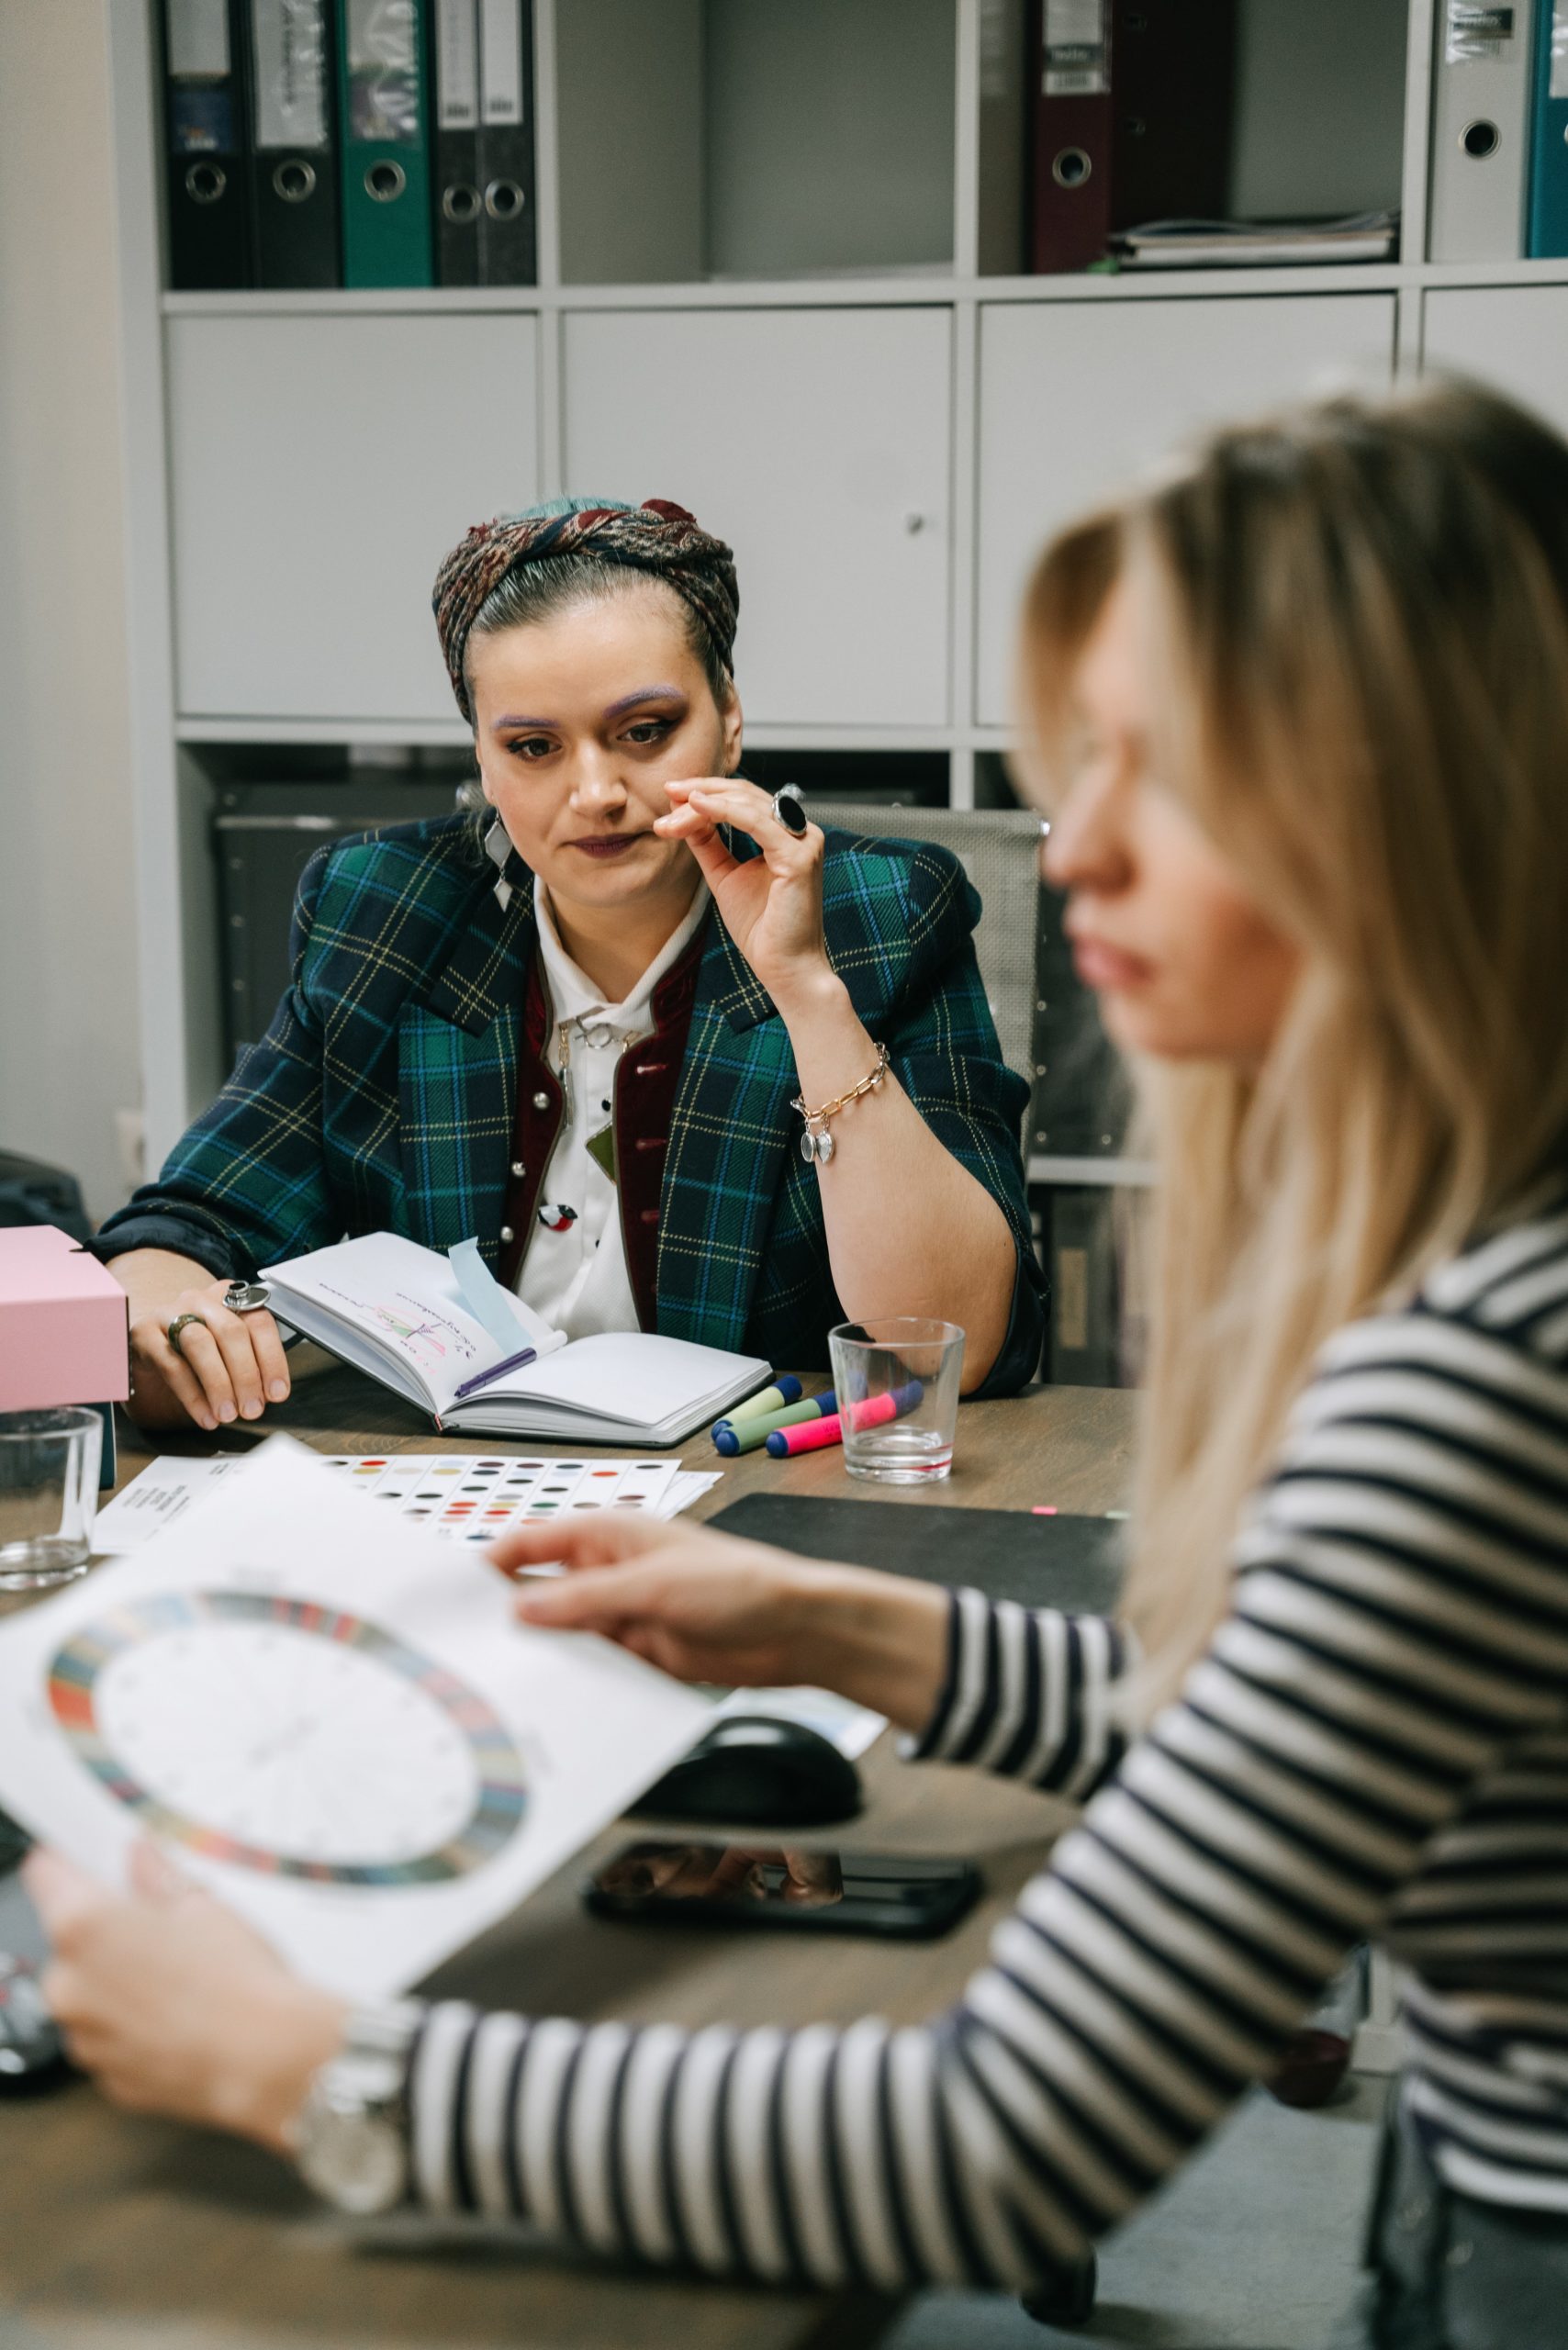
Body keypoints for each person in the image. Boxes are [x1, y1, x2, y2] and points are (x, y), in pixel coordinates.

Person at [32, 381, 1568, 2344]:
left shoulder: (1459, 1374)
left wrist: (301, 2062)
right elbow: (1293, 1725)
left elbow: (994, 2131)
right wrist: (851, 1633)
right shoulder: (1489, 1267)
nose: (1070, 846)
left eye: (1158, 773)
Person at [94, 496, 1042, 1429]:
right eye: (534, 746)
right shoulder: (387, 910)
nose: (595, 793)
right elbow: (191, 1221)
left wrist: (806, 993)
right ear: (482, 754)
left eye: (643, 732)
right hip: (460, 1503)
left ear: (730, 720)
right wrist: (158, 1305)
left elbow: (952, 1345)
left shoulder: (875, 916)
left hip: (755, 1505)